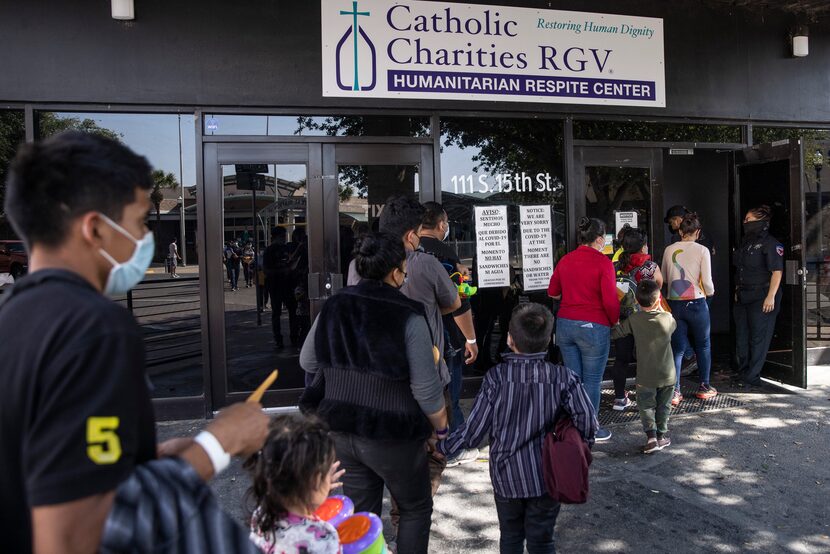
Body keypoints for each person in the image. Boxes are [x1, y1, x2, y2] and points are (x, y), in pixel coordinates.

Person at [0, 130, 269, 554]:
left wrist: (145, 456)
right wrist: (218, 443)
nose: (144, 238)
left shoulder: (13, 314)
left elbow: (55, 465)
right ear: (95, 229)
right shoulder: (93, 326)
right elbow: (85, 527)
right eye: (140, 221)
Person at [299, 232, 448, 554]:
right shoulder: (409, 313)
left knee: (357, 518)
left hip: (339, 428)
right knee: (414, 508)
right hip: (393, 434)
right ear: (396, 271)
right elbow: (426, 390)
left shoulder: (335, 304)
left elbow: (307, 360)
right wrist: (441, 428)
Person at [436, 303, 597, 553]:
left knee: (510, 536)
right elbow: (587, 421)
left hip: (506, 476)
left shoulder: (496, 378)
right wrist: (580, 449)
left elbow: (474, 432)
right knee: (542, 541)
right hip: (548, 476)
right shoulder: (564, 378)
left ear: (510, 339)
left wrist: (443, 447)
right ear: (549, 340)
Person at [418, 201, 480, 467]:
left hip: (414, 336)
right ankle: (452, 446)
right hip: (446, 336)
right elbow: (458, 302)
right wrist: (471, 339)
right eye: (446, 224)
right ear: (442, 225)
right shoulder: (445, 255)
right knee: (449, 390)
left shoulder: (405, 253)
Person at [548, 217, 619, 442]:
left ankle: (573, 423)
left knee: (573, 379)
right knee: (592, 380)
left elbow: (553, 293)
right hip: (593, 326)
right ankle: (590, 427)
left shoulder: (566, 260)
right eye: (604, 239)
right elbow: (610, 300)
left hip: (566, 324)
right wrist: (614, 320)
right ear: (598, 239)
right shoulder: (603, 263)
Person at [246, 415, 346, 554]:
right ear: (312, 482)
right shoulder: (324, 537)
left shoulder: (262, 513)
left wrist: (318, 490)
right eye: (325, 471)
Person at [612, 280, 677, 453]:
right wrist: (661, 309)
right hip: (667, 374)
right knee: (664, 406)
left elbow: (618, 332)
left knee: (646, 405)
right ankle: (662, 436)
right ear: (658, 300)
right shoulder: (668, 319)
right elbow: (672, 327)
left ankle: (651, 438)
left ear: (637, 302)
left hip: (645, 375)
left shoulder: (634, 319)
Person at [661, 213, 718, 404]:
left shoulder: (669, 250)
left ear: (680, 231)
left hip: (674, 303)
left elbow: (665, 278)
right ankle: (704, 386)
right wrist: (710, 292)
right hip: (697, 303)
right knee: (703, 345)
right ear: (698, 232)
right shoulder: (702, 250)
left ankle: (675, 392)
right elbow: (708, 282)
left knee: (677, 349)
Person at [611, 227, 663, 411]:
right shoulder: (650, 267)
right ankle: (647, 399)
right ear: (643, 247)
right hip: (644, 319)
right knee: (646, 359)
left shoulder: (616, 266)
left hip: (623, 319)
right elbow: (658, 287)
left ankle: (618, 398)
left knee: (621, 359)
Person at [734, 205, 784, 387]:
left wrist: (770, 296)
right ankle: (742, 372)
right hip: (743, 295)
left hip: (762, 295)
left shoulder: (772, 244)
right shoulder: (745, 243)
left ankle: (752, 377)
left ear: (761, 222)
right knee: (742, 336)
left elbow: (776, 272)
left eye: (748, 220)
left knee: (758, 338)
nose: (745, 223)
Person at [262, 227, 298, 348]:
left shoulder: (286, 248)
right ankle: (279, 339)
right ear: (276, 237)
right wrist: (284, 270)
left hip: (287, 285)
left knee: (293, 311)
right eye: (282, 236)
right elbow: (266, 270)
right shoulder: (269, 250)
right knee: (277, 313)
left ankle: (294, 336)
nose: (284, 238)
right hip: (276, 286)